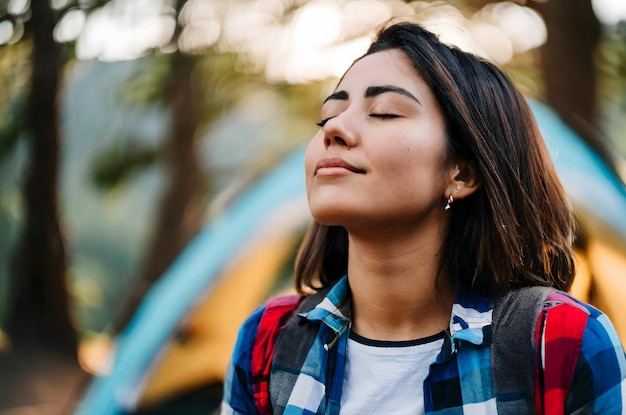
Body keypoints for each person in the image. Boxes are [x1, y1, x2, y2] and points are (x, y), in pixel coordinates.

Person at [221, 20, 626, 414]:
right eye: (327, 116)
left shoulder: (564, 341)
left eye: (383, 112)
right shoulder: (267, 342)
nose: (335, 129)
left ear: (462, 173)